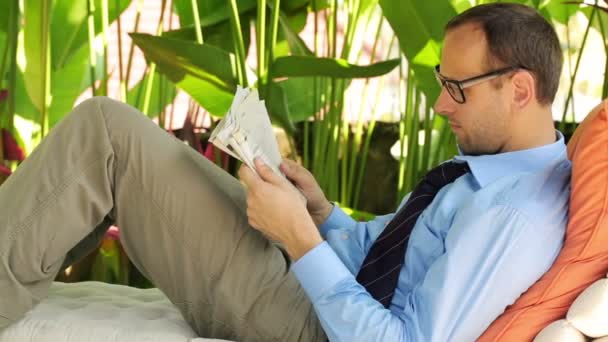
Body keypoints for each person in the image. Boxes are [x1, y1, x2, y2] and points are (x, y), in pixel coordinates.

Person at [0, 2, 570, 341]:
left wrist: (300, 241)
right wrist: (322, 215)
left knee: (107, 133)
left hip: (311, 322)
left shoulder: (514, 215)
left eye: (456, 90)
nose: (442, 105)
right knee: (110, 135)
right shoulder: (489, 169)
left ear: (520, 89)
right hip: (308, 282)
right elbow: (383, 256)